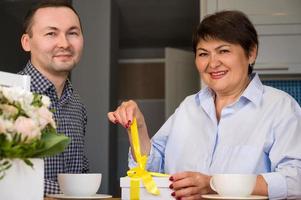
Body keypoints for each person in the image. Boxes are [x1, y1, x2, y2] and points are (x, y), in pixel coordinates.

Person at [108, 10, 301, 200]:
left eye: (223, 51)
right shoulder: (188, 107)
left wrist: (213, 184)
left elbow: (296, 181)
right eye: (203, 54)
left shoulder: (281, 107)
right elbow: (149, 169)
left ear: (251, 53)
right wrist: (139, 127)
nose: (212, 63)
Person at [19, 0, 88, 195]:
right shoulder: (7, 95)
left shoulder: (77, 105)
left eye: (72, 33)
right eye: (51, 33)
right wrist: (67, 193)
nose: (64, 43)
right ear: (27, 42)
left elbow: (80, 170)